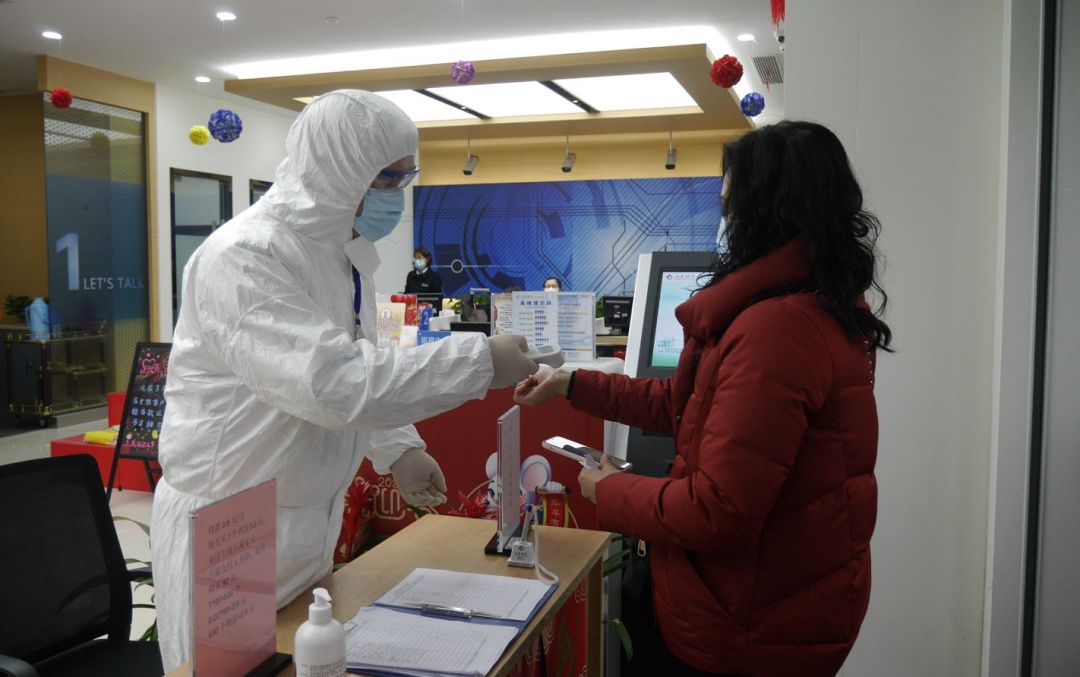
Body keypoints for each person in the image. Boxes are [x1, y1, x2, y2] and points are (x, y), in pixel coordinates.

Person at [151, 90, 539, 672]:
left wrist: (397, 446)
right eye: (385, 179)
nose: (394, 196)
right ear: (335, 170)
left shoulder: (342, 254)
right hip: (229, 525)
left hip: (304, 515)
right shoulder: (245, 256)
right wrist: (478, 362)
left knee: (301, 659)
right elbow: (332, 384)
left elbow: (359, 356)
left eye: (405, 179)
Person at [515, 121, 890, 676]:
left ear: (764, 211)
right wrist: (571, 382)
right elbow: (682, 404)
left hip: (748, 622)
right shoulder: (812, 306)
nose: (724, 221)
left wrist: (609, 489)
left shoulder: (776, 330)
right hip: (776, 599)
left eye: (729, 205)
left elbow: (719, 511)